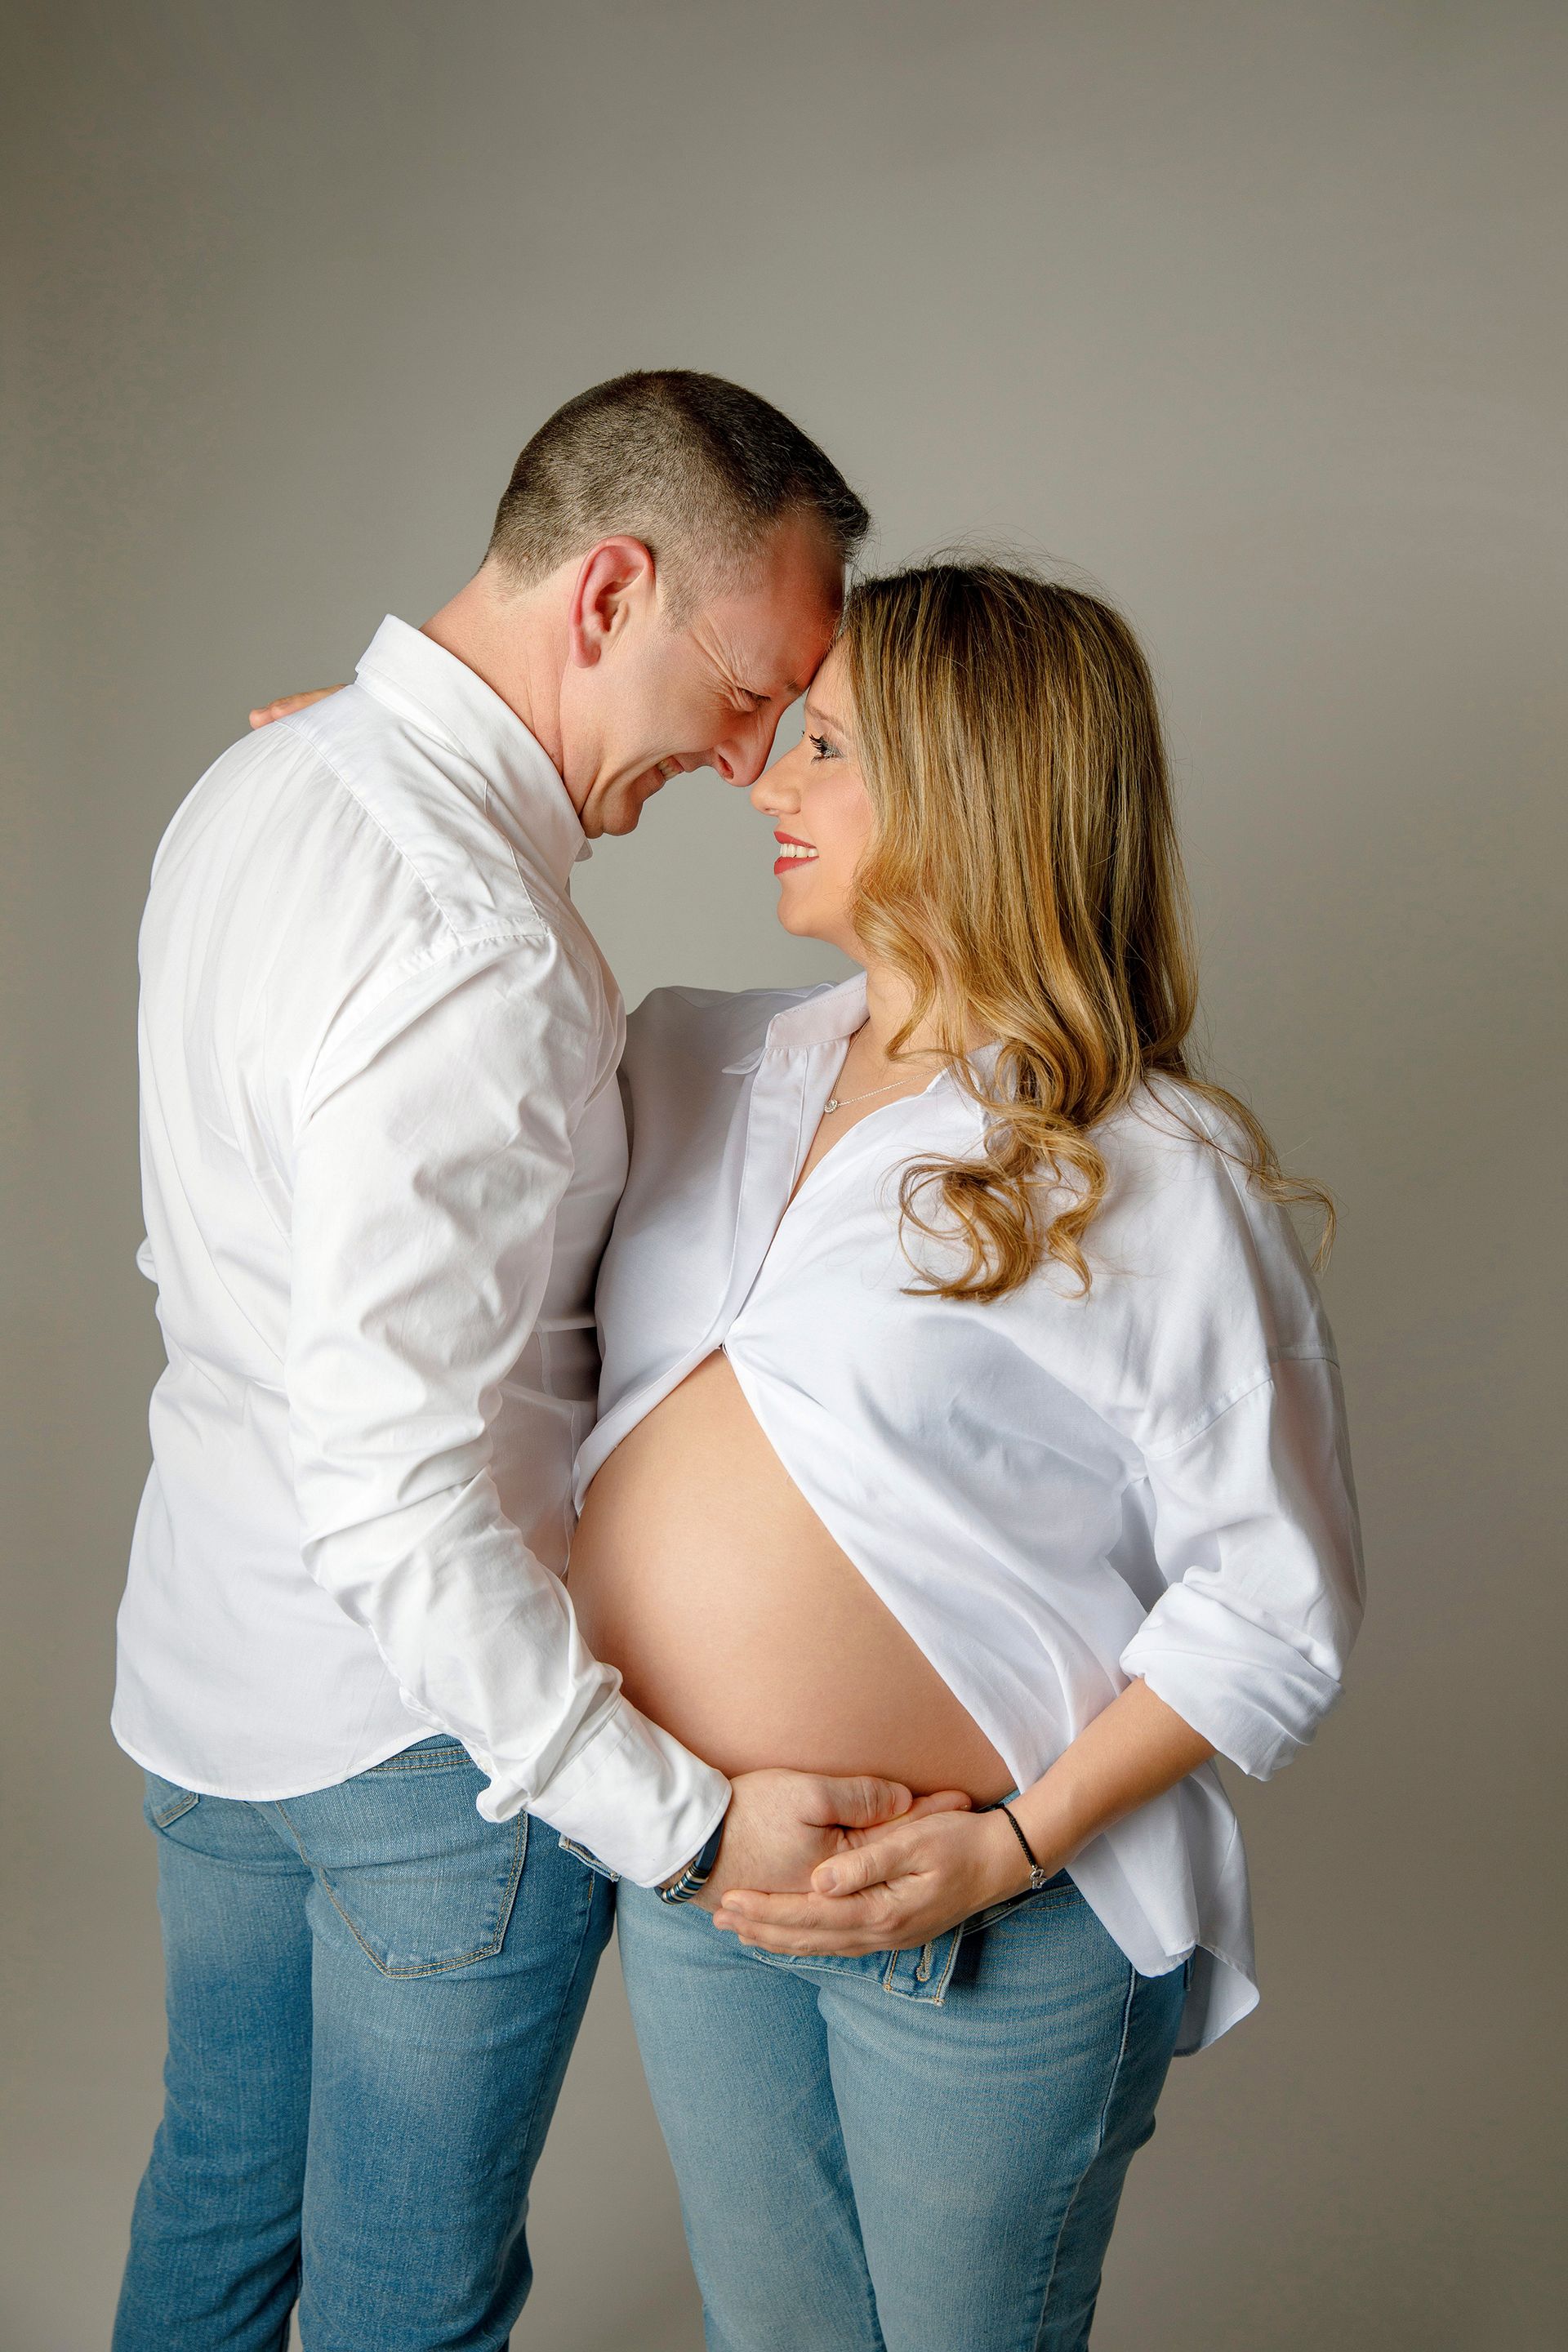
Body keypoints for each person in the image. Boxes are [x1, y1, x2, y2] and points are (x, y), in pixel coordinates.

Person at [112, 371, 933, 2352]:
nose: (756, 764)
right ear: (612, 593)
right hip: (428, 1753)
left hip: (207, 1691)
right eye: (750, 695)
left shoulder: (259, 786)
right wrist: (661, 1813)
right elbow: (392, 1491)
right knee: (415, 2312)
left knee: (215, 2226)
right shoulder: (470, 940)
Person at [565, 560, 1365, 2351]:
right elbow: (437, 1044)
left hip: (985, 1922)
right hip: (701, 1869)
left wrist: (1009, 1847)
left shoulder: (1140, 1163)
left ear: (969, 785)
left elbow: (1277, 1603)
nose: (763, 779)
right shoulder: (695, 1059)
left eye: (825, 746)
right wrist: (369, 809)